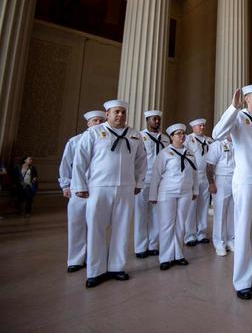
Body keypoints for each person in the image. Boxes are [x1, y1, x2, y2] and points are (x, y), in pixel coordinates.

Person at [72, 99, 147, 288]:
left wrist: (138, 182)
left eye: (123, 112)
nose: (120, 115)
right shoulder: (94, 133)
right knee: (96, 228)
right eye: (116, 112)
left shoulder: (134, 135)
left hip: (125, 187)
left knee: (121, 228)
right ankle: (95, 271)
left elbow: (141, 161)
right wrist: (79, 185)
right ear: (107, 114)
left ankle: (116, 267)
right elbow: (81, 160)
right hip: (99, 187)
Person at [213, 84, 252, 300]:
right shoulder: (239, 118)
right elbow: (217, 133)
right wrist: (232, 108)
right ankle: (242, 281)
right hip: (245, 181)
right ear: (247, 99)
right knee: (243, 229)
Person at [58, 110, 106, 273]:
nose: (98, 123)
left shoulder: (106, 141)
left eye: (101, 121)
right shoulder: (75, 141)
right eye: (95, 121)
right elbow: (66, 164)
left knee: (97, 224)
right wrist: (65, 185)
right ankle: (75, 259)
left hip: (98, 187)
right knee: (77, 223)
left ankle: (93, 258)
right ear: (88, 123)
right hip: (78, 186)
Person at [149, 123, 199, 271]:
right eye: (178, 134)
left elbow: (194, 174)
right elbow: (156, 176)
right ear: (171, 137)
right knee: (167, 225)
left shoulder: (190, 153)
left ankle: (178, 254)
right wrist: (153, 195)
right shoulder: (164, 153)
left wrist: (195, 190)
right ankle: (165, 257)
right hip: (168, 192)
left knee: (181, 224)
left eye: (183, 133)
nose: (181, 136)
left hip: (185, 192)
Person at [135, 110, 169, 259]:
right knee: (141, 214)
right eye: (154, 119)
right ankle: (140, 246)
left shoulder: (166, 139)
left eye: (158, 120)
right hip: (143, 180)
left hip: (161, 181)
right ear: (147, 120)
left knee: (156, 214)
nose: (157, 122)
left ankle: (153, 244)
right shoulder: (138, 137)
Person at [184, 118, 213, 246]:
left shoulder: (209, 140)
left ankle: (201, 233)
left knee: (204, 205)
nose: (202, 127)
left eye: (203, 125)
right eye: (199, 125)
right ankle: (189, 235)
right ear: (193, 127)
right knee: (191, 207)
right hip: (193, 176)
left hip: (206, 176)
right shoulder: (188, 139)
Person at [206, 135, 235, 256]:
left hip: (237, 179)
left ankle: (231, 240)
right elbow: (209, 166)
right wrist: (211, 183)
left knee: (233, 212)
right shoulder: (216, 145)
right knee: (220, 212)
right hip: (221, 179)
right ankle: (219, 243)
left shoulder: (238, 143)